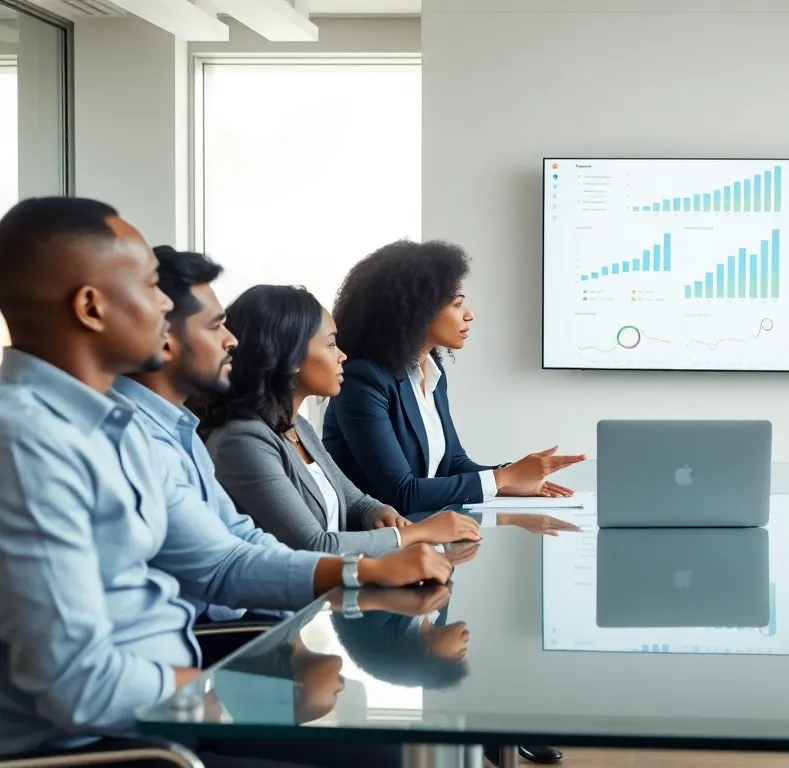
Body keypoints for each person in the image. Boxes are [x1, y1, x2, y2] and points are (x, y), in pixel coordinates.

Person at [0, 197, 455, 767]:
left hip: (168, 701)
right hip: (106, 745)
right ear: (91, 307)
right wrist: (214, 697)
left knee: (397, 750)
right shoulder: (27, 442)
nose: (164, 305)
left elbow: (222, 560)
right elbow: (79, 685)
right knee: (390, 758)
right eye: (150, 285)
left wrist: (363, 571)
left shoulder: (117, 426)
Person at [196, 284, 481, 556]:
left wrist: (378, 512)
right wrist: (417, 533)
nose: (343, 356)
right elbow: (315, 546)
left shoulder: (298, 427)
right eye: (331, 344)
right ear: (290, 357)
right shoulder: (243, 440)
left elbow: (356, 501)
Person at [112, 246, 289, 657]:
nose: (232, 340)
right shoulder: (136, 436)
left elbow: (239, 533)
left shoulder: (181, 429)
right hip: (191, 646)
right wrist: (347, 574)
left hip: (222, 631)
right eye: (215, 326)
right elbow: (222, 566)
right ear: (165, 341)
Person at [324, 239, 585, 515]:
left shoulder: (431, 371)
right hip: (375, 537)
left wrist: (512, 480)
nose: (469, 315)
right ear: (417, 310)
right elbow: (401, 493)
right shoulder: (362, 381)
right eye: (457, 304)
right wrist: (503, 477)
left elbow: (453, 464)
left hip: (424, 529)